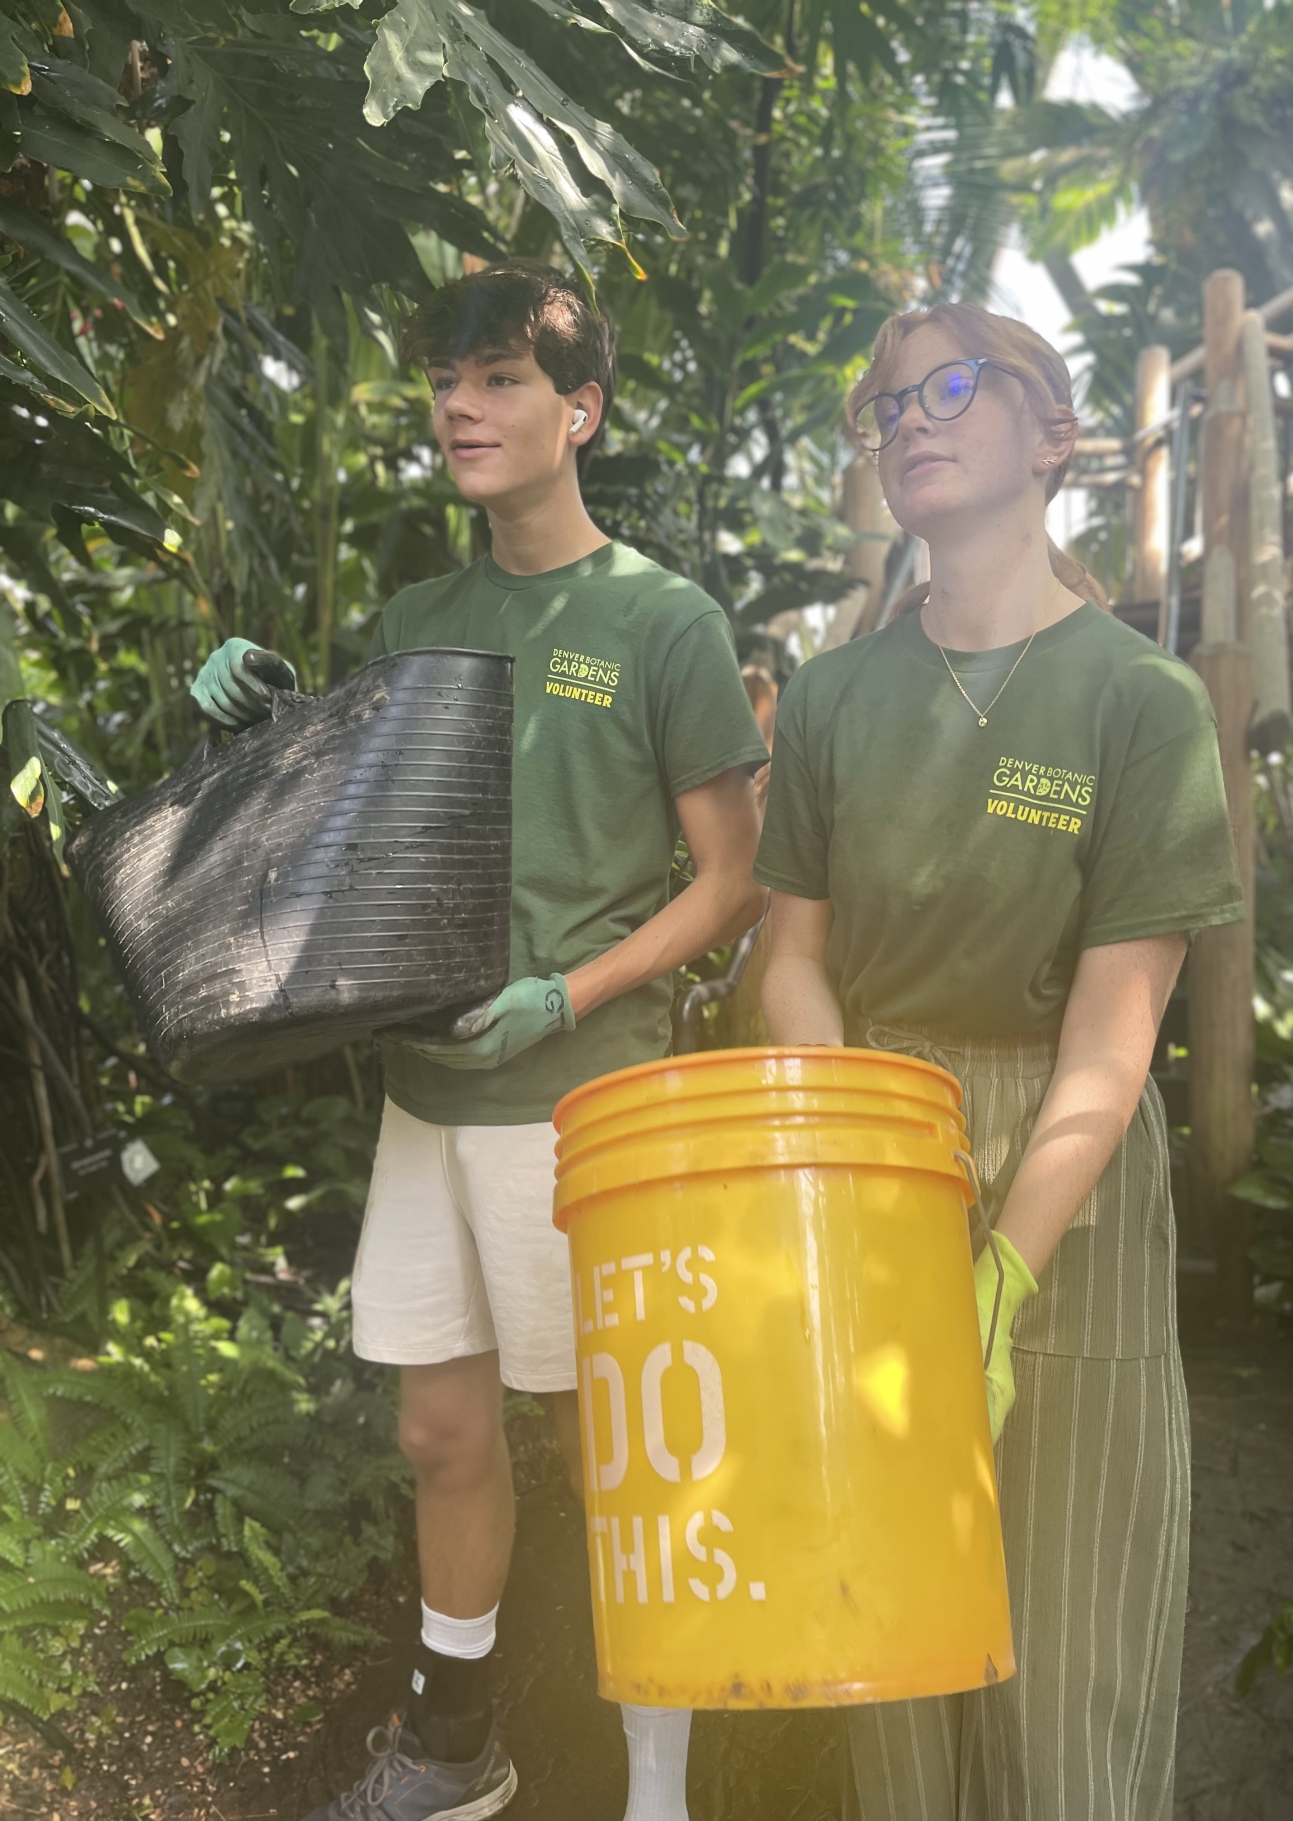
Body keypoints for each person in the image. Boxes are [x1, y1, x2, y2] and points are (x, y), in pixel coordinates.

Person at [192, 262, 770, 1821]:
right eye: (448, 376)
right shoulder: (420, 615)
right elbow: (378, 842)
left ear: (579, 412)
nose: (459, 402)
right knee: (442, 1428)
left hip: (581, 1102)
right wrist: (278, 732)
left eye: (502, 377)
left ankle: (658, 1786)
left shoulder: (663, 620)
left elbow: (729, 879)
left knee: (621, 1455)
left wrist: (565, 993)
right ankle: (456, 1753)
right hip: (430, 1095)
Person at [753, 302, 1244, 1821]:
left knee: (1069, 1644)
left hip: (1067, 1180)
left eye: (948, 387)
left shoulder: (1137, 701)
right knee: (898, 1634)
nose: (909, 418)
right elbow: (786, 957)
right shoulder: (832, 700)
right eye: (883, 405)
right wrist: (854, 1148)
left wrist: (1004, 1271)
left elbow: (1113, 1035)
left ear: (1052, 434)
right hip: (870, 1140)